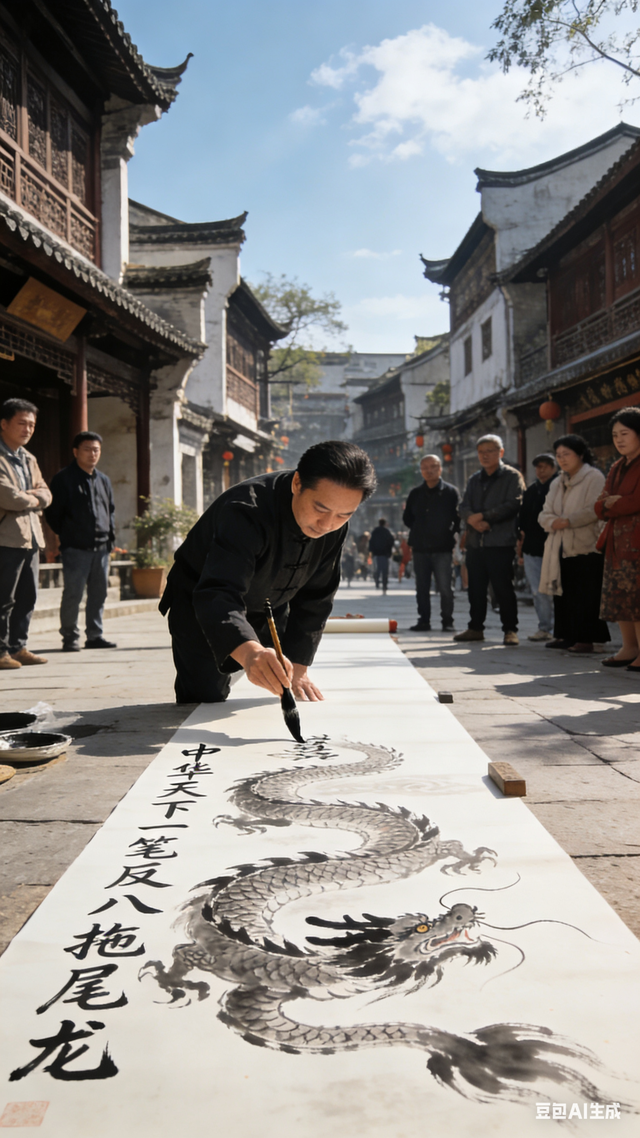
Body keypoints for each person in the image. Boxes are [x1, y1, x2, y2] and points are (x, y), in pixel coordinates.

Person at [159, 440, 376, 704]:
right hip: (202, 601)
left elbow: (316, 597)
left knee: (284, 681)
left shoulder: (334, 523)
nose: (327, 524)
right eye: (320, 509)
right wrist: (251, 654)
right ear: (298, 483)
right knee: (204, 698)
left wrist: (299, 669)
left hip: (269, 605)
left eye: (344, 515)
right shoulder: (246, 511)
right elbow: (218, 592)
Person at [45, 431, 116, 652]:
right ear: (76, 452)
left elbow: (110, 511)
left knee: (99, 593)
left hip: (102, 548)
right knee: (73, 593)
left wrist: (110, 540)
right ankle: (70, 636)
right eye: (87, 449)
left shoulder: (103, 479)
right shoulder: (63, 479)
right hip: (76, 548)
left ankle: (95, 635)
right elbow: (53, 514)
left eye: (96, 449)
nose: (92, 454)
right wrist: (67, 534)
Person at [538, 434, 608, 653]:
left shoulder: (593, 476)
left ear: (580, 454)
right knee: (563, 592)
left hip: (586, 544)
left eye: (566, 454)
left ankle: (586, 638)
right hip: (559, 544)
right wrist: (552, 522)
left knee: (585, 594)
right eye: (559, 455)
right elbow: (545, 512)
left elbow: (594, 509)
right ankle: (565, 635)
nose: (562, 459)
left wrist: (568, 521)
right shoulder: (558, 481)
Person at [455, 434, 524, 645]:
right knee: (475, 588)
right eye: (481, 452)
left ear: (500, 452)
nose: (485, 456)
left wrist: (485, 517)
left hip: (500, 542)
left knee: (503, 588)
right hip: (476, 542)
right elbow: (463, 506)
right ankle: (475, 627)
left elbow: (514, 503)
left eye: (490, 451)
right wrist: (473, 520)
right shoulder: (474, 479)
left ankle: (510, 630)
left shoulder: (512, 477)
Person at [0, 398, 51, 669]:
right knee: (3, 597)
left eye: (32, 424)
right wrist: (33, 498)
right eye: (22, 423)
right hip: (5, 538)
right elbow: (8, 497)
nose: (28, 429)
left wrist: (31, 496)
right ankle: (0, 651)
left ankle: (18, 646)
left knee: (27, 595)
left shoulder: (28, 458)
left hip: (31, 536)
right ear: (4, 423)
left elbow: (46, 491)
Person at [594, 408, 640, 670]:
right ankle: (629, 646)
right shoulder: (616, 466)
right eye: (615, 435)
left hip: (637, 538)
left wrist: (617, 503)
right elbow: (599, 506)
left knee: (638, 596)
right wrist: (614, 504)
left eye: (625, 433)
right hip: (616, 541)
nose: (619, 440)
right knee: (621, 596)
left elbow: (632, 501)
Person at [402, 454, 460, 632]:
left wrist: (446, 533)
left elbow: (458, 519)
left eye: (433, 466)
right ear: (421, 470)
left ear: (440, 468)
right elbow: (407, 518)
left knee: (445, 587)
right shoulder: (415, 493)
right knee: (422, 587)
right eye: (425, 467)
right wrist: (421, 530)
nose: (429, 470)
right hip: (420, 548)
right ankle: (424, 620)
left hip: (442, 548)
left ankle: (447, 621)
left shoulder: (451, 492)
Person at [517, 453, 557, 641]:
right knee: (538, 590)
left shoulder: (559, 487)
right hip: (532, 547)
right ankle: (544, 627)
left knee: (556, 589)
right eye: (538, 466)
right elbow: (523, 521)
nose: (540, 470)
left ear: (553, 467)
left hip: (555, 546)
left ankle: (560, 628)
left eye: (544, 466)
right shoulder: (532, 490)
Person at [368, 517, 394, 593]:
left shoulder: (375, 531)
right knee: (385, 570)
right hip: (384, 554)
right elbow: (391, 541)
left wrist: (371, 552)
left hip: (376, 554)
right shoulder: (387, 532)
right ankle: (384, 585)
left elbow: (371, 542)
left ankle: (377, 582)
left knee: (377, 569)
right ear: (384, 523)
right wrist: (389, 551)